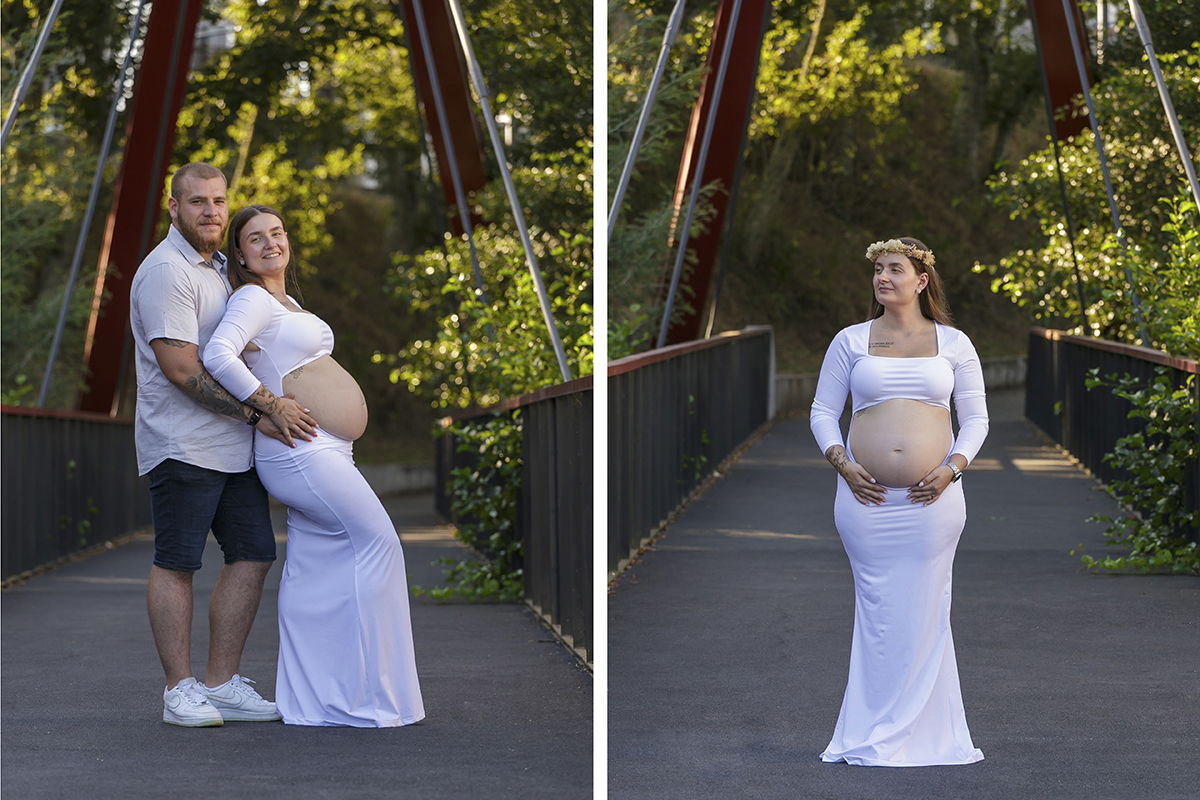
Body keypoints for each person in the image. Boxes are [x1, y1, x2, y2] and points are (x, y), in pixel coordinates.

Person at [202, 204, 425, 727]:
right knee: (379, 545)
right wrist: (267, 402)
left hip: (322, 451)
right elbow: (217, 355)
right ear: (240, 253)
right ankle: (372, 696)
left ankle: (314, 701)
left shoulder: (286, 301)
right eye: (255, 238)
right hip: (302, 453)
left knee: (316, 570)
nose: (270, 243)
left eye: (277, 233)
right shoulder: (253, 297)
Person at [129, 163, 317, 727]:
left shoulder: (219, 268)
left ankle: (222, 684)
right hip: (183, 443)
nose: (210, 212)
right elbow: (183, 370)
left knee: (254, 554)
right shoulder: (167, 271)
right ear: (173, 207)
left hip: (233, 446)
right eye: (197, 203)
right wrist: (258, 412)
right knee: (178, 562)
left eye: (217, 202)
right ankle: (178, 690)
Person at [809, 237, 989, 766]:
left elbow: (976, 420)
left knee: (927, 611)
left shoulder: (954, 343)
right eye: (878, 270)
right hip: (864, 502)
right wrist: (842, 462)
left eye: (895, 269)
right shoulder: (851, 341)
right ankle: (872, 729)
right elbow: (823, 411)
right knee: (879, 613)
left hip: (932, 504)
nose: (883, 277)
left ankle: (921, 735)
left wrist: (951, 471)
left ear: (921, 280)